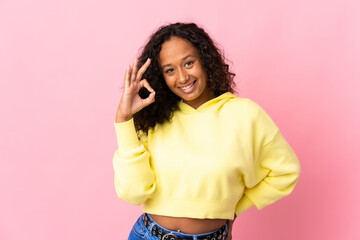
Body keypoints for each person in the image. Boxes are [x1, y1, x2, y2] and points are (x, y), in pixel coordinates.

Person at [113, 22, 301, 240]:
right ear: (161, 77)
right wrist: (124, 120)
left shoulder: (246, 115)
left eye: (189, 63)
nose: (182, 77)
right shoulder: (154, 119)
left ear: (205, 60)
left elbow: (285, 171)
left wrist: (236, 210)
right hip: (148, 235)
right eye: (170, 70)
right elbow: (133, 193)